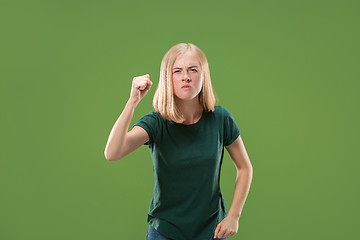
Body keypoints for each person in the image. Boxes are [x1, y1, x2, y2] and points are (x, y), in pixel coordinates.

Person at [104, 43, 253, 240]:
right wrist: (132, 101)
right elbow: (112, 153)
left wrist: (234, 215)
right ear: (168, 77)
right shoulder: (156, 123)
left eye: (193, 70)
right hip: (165, 232)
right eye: (177, 71)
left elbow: (244, 168)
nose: (186, 77)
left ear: (203, 75)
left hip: (212, 231)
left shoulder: (221, 119)